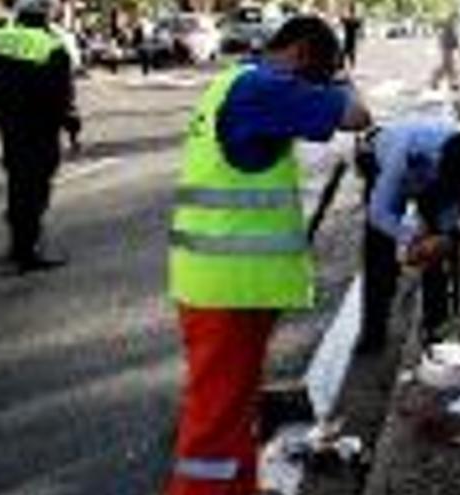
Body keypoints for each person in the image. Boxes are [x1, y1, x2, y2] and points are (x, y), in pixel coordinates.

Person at [166, 15, 371, 495]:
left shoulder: (232, 83)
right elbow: (357, 114)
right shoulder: (263, 88)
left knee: (232, 408)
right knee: (214, 421)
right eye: (315, 76)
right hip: (228, 287)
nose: (313, 89)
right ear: (300, 54)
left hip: (222, 283)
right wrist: (340, 77)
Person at [357, 117, 460, 352]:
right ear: (438, 165)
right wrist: (411, 237)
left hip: (436, 175)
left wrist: (439, 239)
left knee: (441, 253)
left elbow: (453, 210)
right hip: (382, 163)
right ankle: (373, 333)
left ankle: (437, 330)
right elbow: (378, 213)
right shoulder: (405, 151)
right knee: (379, 253)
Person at [0, 0, 80, 272]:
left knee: (16, 182)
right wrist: (72, 126)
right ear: (45, 17)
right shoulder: (51, 46)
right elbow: (62, 96)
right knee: (35, 187)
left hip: (9, 126)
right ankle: (28, 251)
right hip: (40, 128)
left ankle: (16, 244)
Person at [430, 14, 460, 90]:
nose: (455, 22)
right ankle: (450, 83)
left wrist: (457, 48)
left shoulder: (449, 28)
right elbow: (452, 39)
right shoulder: (449, 28)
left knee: (448, 67)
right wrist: (458, 48)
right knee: (448, 67)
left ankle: (437, 82)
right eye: (455, 20)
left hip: (448, 49)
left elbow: (453, 40)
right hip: (447, 49)